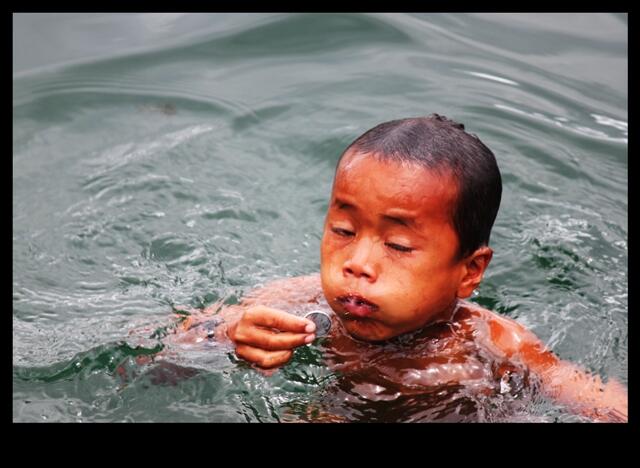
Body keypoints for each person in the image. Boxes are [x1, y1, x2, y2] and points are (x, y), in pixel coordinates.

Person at [165, 115, 627, 422]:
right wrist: (224, 335)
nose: (358, 263)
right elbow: (158, 357)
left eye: (399, 244)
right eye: (344, 231)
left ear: (469, 271)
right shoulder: (294, 304)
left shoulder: (494, 344)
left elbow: (594, 399)